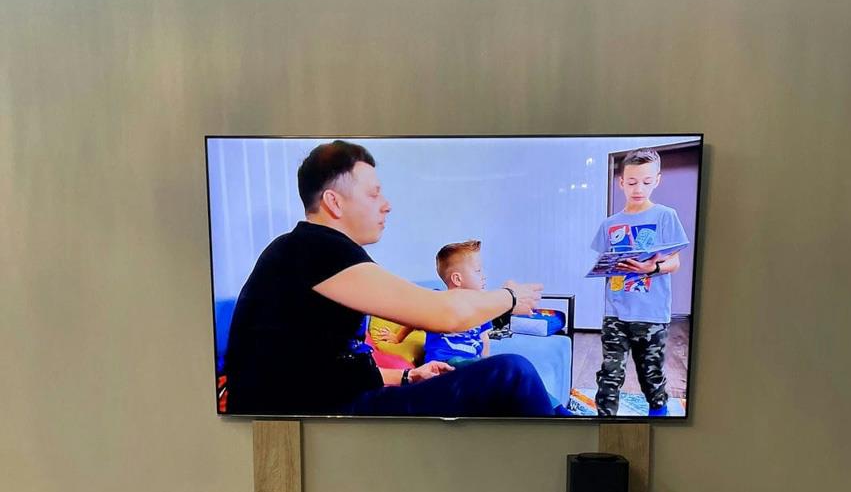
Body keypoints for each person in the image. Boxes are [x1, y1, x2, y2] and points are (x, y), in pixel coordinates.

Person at [224, 141, 555, 417]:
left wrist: (408, 376)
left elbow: (322, 369)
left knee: (499, 381)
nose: (387, 206)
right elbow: (446, 313)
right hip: (303, 423)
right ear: (334, 202)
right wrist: (510, 297)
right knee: (512, 374)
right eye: (374, 195)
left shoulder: (310, 250)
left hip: (319, 406)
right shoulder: (313, 249)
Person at [589, 148, 689, 417]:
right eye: (632, 182)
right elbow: (604, 260)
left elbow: (674, 262)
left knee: (651, 375)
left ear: (657, 180)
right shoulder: (610, 224)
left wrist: (650, 268)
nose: (638, 189)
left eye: (646, 182)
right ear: (621, 182)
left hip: (651, 313)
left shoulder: (665, 216)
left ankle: (660, 418)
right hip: (615, 311)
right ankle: (604, 423)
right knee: (610, 373)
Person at [423, 239, 492, 367]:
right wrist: (398, 337)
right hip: (442, 362)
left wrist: (487, 365)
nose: (483, 276)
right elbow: (414, 317)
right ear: (457, 279)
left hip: (470, 364)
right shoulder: (438, 299)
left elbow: (485, 339)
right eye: (478, 271)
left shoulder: (482, 308)